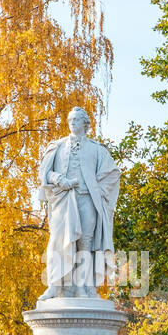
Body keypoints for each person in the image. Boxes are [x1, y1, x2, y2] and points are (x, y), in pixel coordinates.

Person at [37, 106, 120, 300]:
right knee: (58, 241)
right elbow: (45, 173)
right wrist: (59, 180)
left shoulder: (96, 149)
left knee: (85, 244)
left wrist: (96, 189)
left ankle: (83, 288)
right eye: (70, 120)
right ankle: (54, 286)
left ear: (85, 123)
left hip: (87, 199)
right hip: (63, 200)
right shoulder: (56, 146)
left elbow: (113, 173)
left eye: (76, 119)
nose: (72, 123)